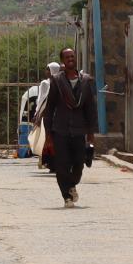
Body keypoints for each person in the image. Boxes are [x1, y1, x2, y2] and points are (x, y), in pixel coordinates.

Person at [34, 47, 96, 207]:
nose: (70, 59)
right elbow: (50, 109)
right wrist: (47, 134)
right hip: (60, 130)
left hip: (78, 130)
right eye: (67, 57)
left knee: (78, 164)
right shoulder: (57, 81)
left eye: (72, 56)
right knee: (61, 165)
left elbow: (90, 108)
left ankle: (71, 185)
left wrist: (91, 133)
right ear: (63, 61)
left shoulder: (85, 81)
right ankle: (67, 197)